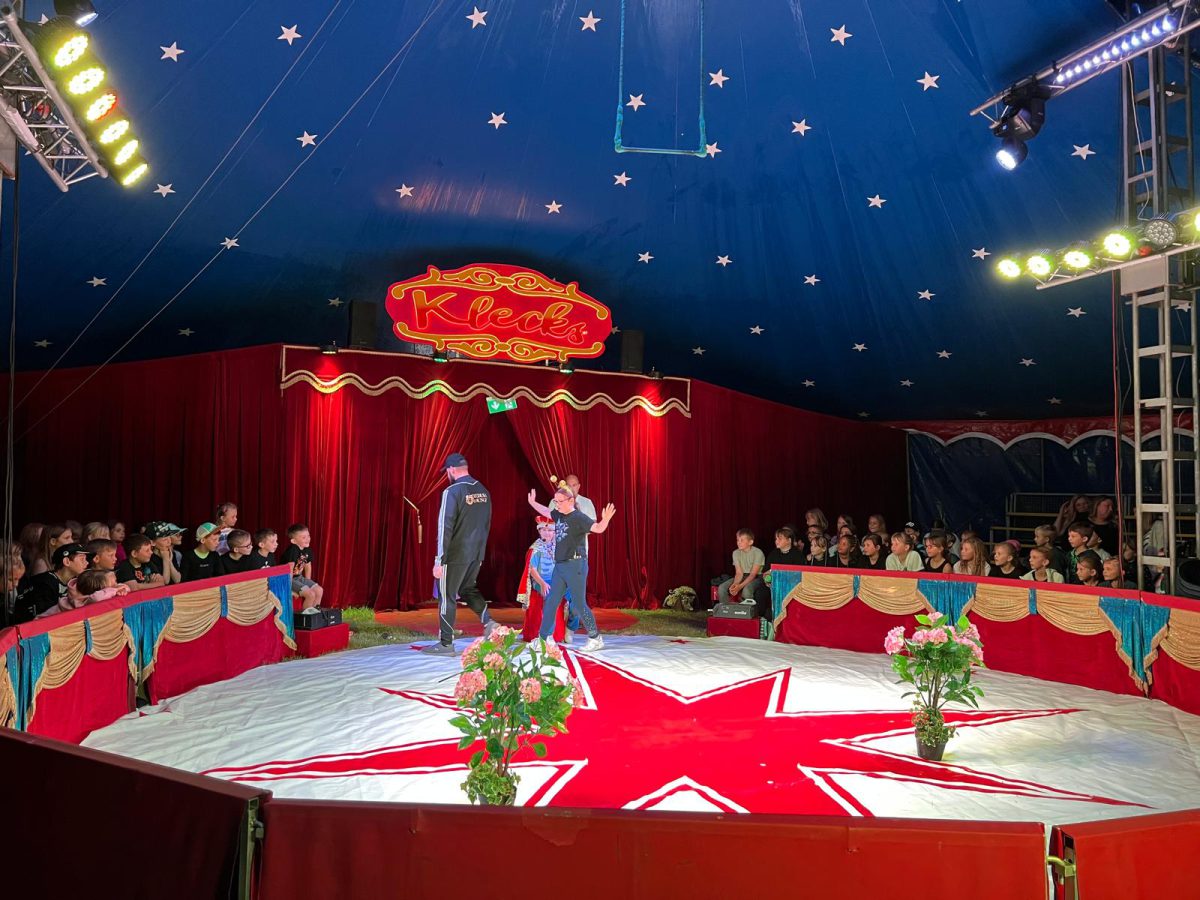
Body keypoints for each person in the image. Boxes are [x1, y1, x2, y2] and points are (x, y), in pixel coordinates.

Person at [527, 482, 616, 651]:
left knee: (579, 603)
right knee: (551, 601)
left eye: (560, 501)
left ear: (570, 501)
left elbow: (597, 528)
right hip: (560, 566)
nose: (556, 504)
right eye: (555, 501)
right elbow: (546, 511)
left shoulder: (579, 518)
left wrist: (605, 519)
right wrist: (533, 503)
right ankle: (544, 639)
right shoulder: (559, 514)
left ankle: (595, 637)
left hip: (576, 565)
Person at [425, 453, 498, 655]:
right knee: (467, 588)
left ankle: (446, 643)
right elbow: (486, 524)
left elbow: (445, 526)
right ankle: (488, 621)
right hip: (476, 552)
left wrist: (439, 560)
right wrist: (480, 552)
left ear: (451, 470)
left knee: (447, 594)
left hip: (455, 554)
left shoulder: (452, 491)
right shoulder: (483, 491)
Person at [14, 543, 90, 623]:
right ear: (67, 562)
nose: (87, 563)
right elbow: (45, 619)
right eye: (82, 559)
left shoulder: (74, 582)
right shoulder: (44, 584)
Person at [518, 517, 566, 643]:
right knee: (550, 597)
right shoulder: (536, 549)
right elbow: (532, 570)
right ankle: (547, 635)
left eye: (550, 530)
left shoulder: (558, 547)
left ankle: (570, 629)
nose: (547, 533)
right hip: (540, 581)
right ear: (539, 531)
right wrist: (543, 584)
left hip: (556, 581)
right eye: (544, 530)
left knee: (575, 598)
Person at [36, 568, 129, 618]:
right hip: (40, 625)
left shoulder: (86, 590)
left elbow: (126, 587)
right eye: (113, 584)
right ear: (100, 590)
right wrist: (115, 590)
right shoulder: (85, 601)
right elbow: (97, 598)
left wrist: (121, 589)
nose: (116, 585)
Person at [716, 528, 765, 607]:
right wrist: (735, 584)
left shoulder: (758, 553)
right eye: (738, 540)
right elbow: (739, 573)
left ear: (750, 542)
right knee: (722, 588)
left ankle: (748, 611)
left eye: (742, 540)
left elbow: (753, 575)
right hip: (743, 576)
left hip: (756, 577)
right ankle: (727, 610)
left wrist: (740, 586)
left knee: (746, 590)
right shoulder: (736, 553)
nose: (739, 542)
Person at [284, 524, 324, 613]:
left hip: (299, 578)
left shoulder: (307, 549)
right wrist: (288, 586)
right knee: (310, 594)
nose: (307, 539)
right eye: (303, 537)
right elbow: (289, 568)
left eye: (308, 536)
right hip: (289, 578)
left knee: (319, 590)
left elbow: (308, 566)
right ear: (294, 541)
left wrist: (308, 582)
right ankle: (306, 617)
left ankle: (314, 614)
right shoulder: (293, 550)